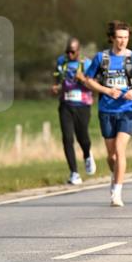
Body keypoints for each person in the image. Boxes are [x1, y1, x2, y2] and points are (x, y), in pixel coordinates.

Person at [80, 20, 132, 207]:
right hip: (106, 110)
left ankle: (117, 193)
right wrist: (106, 90)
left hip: (126, 110)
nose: (122, 41)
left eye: (125, 38)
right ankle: (115, 174)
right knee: (112, 156)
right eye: (119, 38)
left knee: (120, 149)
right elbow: (88, 80)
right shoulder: (101, 58)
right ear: (112, 38)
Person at [52, 38, 95, 185]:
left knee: (82, 137)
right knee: (67, 138)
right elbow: (57, 80)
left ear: (78, 51)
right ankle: (74, 173)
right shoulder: (61, 62)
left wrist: (82, 78)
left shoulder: (87, 63)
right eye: (67, 51)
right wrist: (56, 87)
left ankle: (88, 155)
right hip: (66, 104)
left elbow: (94, 85)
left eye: (72, 52)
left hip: (83, 105)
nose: (69, 54)